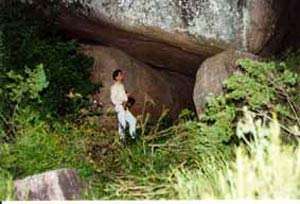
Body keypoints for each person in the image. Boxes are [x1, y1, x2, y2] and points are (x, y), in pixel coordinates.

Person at [110, 69, 137, 144]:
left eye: (122, 74)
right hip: (119, 106)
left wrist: (127, 97)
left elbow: (124, 96)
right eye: (120, 75)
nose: (122, 76)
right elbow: (113, 99)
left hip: (124, 107)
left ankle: (133, 138)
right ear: (116, 77)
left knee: (133, 121)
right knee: (122, 124)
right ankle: (122, 142)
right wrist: (124, 97)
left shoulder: (121, 85)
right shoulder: (114, 87)